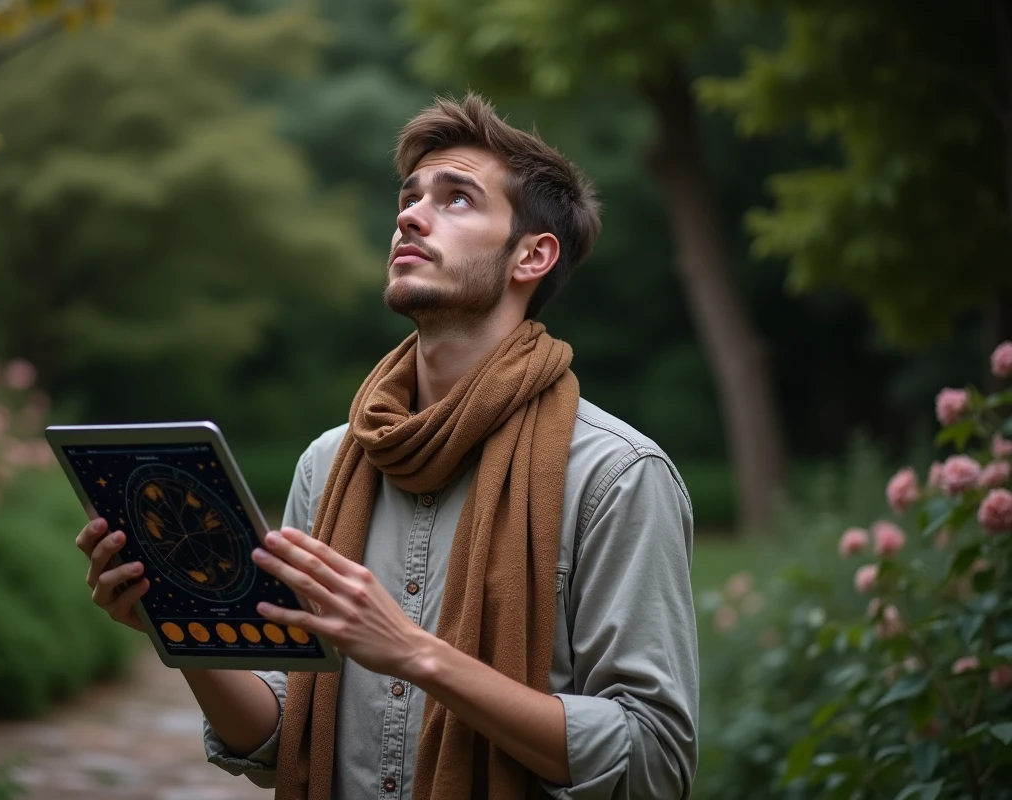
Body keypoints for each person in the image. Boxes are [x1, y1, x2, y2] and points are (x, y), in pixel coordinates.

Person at [77, 93, 699, 800]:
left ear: (532, 255)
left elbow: (654, 760)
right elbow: (283, 739)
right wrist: (177, 625)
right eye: (409, 198)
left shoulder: (616, 475)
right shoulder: (330, 463)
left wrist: (416, 655)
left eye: (456, 198)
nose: (409, 215)